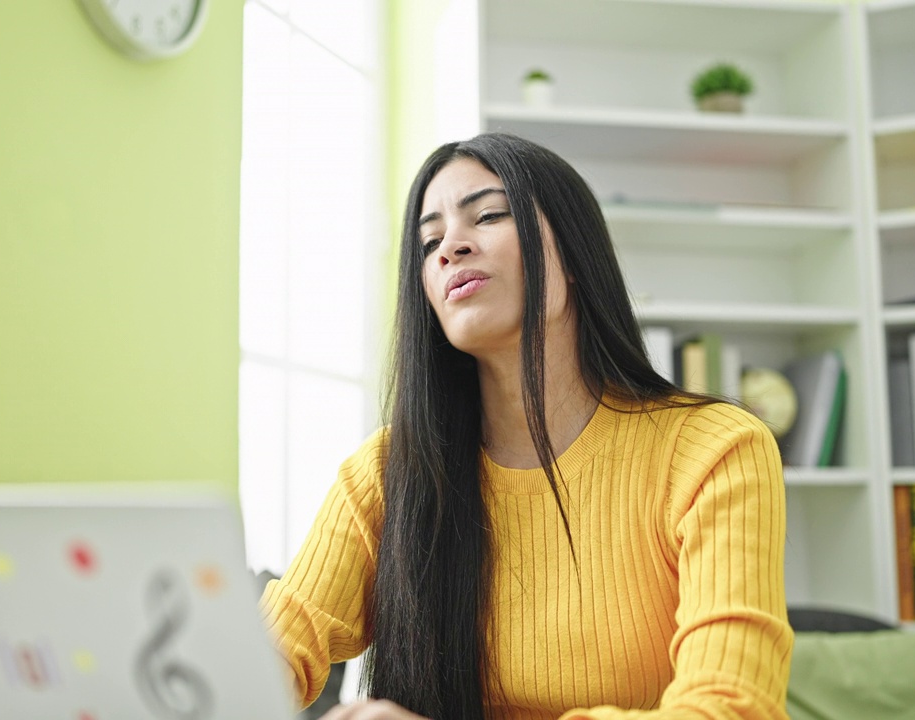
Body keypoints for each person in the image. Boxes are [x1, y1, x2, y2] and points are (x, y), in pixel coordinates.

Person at [259, 132, 792, 720]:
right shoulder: (387, 474)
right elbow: (260, 661)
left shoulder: (715, 449)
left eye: (487, 215)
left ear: (577, 255)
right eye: (429, 241)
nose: (448, 249)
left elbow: (732, 709)